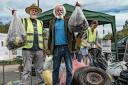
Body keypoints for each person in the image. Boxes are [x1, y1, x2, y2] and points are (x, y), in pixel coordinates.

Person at [12, 4, 45, 85]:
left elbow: (42, 36)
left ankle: (40, 83)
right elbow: (16, 24)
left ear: (37, 13)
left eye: (35, 10)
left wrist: (44, 49)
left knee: (39, 69)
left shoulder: (41, 22)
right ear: (29, 12)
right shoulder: (24, 20)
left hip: (39, 49)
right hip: (27, 49)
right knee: (27, 69)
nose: (34, 12)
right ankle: (24, 84)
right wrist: (14, 15)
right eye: (32, 10)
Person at [48, 5, 76, 85]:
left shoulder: (68, 20)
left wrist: (77, 8)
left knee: (69, 69)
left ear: (64, 12)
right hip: (56, 48)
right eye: (58, 10)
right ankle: (55, 83)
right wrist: (49, 49)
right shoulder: (52, 22)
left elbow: (76, 17)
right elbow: (50, 36)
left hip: (68, 47)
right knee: (55, 68)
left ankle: (68, 83)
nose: (59, 12)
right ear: (55, 12)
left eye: (61, 10)